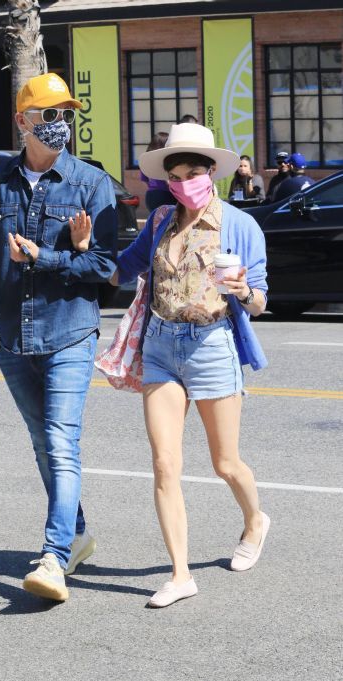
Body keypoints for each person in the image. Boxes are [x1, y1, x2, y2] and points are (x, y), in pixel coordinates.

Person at [0, 72, 118, 603]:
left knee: (62, 444)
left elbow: (105, 266)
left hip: (70, 333)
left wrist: (51, 256)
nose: (59, 123)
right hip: (13, 340)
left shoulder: (91, 184)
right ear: (23, 120)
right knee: (43, 444)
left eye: (66, 114)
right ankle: (79, 533)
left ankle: (55, 557)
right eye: (48, 114)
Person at [110, 123, 271, 608]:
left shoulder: (240, 225)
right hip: (160, 345)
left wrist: (243, 290)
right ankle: (181, 575)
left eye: (195, 172)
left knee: (225, 462)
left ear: (213, 172)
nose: (186, 182)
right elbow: (124, 267)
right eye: (176, 175)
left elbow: (261, 301)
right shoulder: (160, 220)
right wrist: (74, 251)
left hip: (211, 345)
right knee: (164, 463)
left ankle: (255, 520)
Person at [140, 132, 176, 211]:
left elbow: (144, 179)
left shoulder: (146, 159)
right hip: (165, 194)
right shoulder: (163, 160)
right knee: (169, 221)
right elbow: (168, 180)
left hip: (150, 195)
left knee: (156, 221)